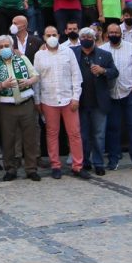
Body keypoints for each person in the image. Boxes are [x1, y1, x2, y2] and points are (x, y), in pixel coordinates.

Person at [33, 25, 85, 178]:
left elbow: (76, 76)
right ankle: (55, 165)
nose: (51, 37)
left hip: (68, 99)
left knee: (74, 133)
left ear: (59, 35)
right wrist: (37, 100)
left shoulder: (68, 52)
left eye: (54, 34)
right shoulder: (39, 55)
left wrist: (76, 97)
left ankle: (78, 166)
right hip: (48, 100)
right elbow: (37, 79)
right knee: (52, 133)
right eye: (48, 35)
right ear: (43, 37)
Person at [0, 34, 41, 182]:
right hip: (7, 106)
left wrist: (27, 81)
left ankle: (31, 169)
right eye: (1, 47)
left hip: (26, 104)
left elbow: (36, 76)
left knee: (30, 138)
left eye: (7, 46)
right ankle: (10, 169)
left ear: (12, 47)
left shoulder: (23, 59)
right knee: (8, 139)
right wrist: (2, 85)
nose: (4, 49)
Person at [102, 21, 132, 171]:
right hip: (111, 94)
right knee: (113, 128)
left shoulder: (131, 48)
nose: (114, 35)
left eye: (116, 32)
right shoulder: (101, 50)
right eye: (111, 33)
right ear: (107, 34)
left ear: (121, 34)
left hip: (130, 93)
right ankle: (113, 160)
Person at [76, 27, 118, 176]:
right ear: (80, 38)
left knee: (99, 135)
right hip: (80, 101)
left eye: (89, 36)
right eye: (84, 36)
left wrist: (103, 71)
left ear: (94, 38)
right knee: (83, 135)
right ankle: (84, 161)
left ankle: (98, 163)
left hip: (99, 102)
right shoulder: (73, 53)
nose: (86, 39)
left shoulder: (104, 54)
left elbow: (115, 72)